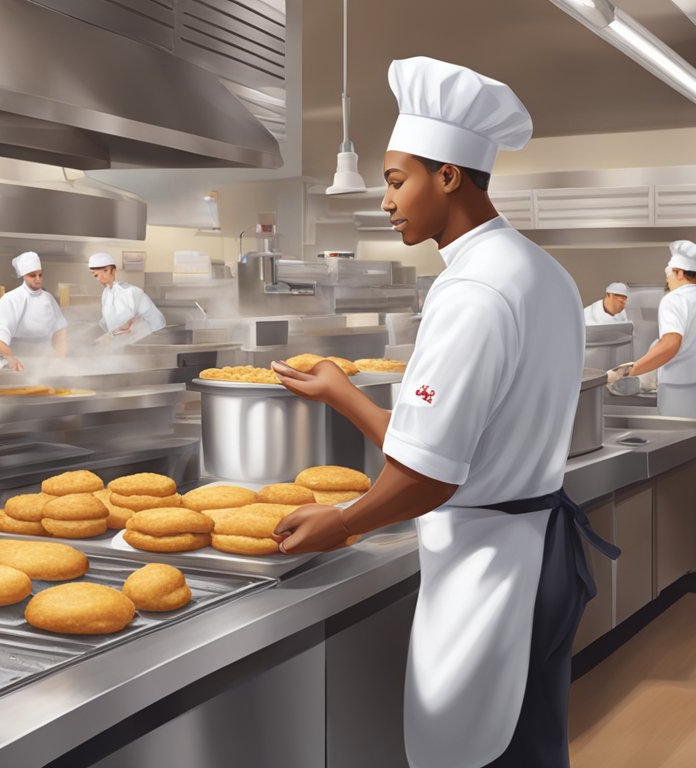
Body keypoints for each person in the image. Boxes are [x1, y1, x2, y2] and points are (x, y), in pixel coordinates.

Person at [268, 57, 618, 768]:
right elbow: (442, 449)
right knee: (534, 743)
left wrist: (339, 525)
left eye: (397, 181)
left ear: (449, 176)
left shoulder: (471, 292)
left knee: (487, 752)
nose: (386, 202)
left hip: (491, 575)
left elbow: (429, 481)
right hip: (542, 550)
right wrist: (342, 391)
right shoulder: (542, 272)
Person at [618, 241, 696, 416]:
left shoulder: (675, 299)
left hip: (679, 387)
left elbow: (671, 343)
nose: (667, 280)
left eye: (669, 275)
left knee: (679, 439)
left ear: (680, 272)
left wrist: (633, 370)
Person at [0, 251, 67, 372]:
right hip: (19, 366)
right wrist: (11, 359)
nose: (38, 279)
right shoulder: (11, 299)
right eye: (32, 275)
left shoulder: (48, 298)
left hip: (47, 366)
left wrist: (60, 359)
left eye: (40, 275)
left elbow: (60, 331)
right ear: (23, 275)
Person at [88, 252, 166, 346]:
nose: (100, 278)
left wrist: (120, 334)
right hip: (117, 348)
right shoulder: (106, 294)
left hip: (138, 346)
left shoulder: (133, 292)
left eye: (105, 271)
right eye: (95, 275)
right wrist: (90, 332)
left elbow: (157, 321)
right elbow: (107, 322)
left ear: (113, 270)